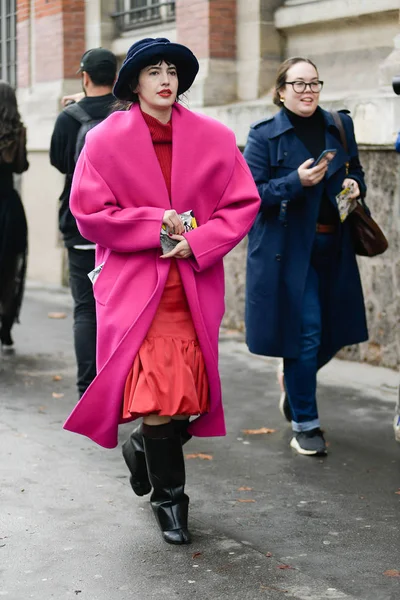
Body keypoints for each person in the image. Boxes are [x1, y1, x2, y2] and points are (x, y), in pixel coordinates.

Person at [62, 37, 260, 544]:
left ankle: (144, 448)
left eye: (173, 71)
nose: (166, 79)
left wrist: (197, 243)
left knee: (186, 401)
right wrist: (154, 224)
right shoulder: (104, 139)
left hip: (192, 287)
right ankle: (170, 501)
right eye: (154, 72)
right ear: (134, 83)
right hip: (135, 292)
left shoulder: (215, 137)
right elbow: (90, 215)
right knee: (156, 400)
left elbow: (241, 205)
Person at [244, 57, 368, 456]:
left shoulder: (339, 125)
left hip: (336, 244)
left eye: (314, 83)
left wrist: (354, 183)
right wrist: (294, 182)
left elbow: (358, 171)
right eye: (297, 84)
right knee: (308, 332)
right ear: (280, 91)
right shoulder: (264, 136)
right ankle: (306, 425)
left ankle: (293, 376)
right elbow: (252, 197)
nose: (308, 91)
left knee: (337, 332)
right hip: (289, 251)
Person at [50, 48, 117, 398]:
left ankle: (88, 390)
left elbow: (61, 163)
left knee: (85, 308)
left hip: (80, 227)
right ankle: (121, 383)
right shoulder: (127, 114)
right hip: (121, 228)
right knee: (119, 307)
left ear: (84, 77)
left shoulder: (69, 118)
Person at [0, 81, 29, 352]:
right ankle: (5, 328)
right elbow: (22, 166)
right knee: (10, 269)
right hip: (9, 208)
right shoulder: (17, 132)